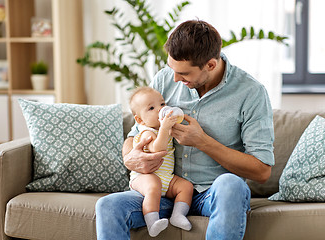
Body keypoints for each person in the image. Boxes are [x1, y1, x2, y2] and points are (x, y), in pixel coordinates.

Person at [96, 19, 275, 240]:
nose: (175, 79)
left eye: (184, 74)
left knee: (231, 184)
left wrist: (202, 141)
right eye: (172, 69)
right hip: (164, 191)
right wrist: (129, 156)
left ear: (210, 64)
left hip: (213, 194)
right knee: (108, 205)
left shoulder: (251, 93)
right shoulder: (165, 79)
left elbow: (262, 170)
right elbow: (135, 133)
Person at [128, 86, 193, 237]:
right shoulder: (146, 132)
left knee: (186, 186)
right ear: (139, 119)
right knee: (154, 186)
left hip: (166, 178)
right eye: (151, 108)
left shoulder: (164, 128)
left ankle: (178, 215)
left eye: (162, 104)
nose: (159, 109)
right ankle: (152, 222)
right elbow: (157, 148)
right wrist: (164, 128)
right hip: (144, 178)